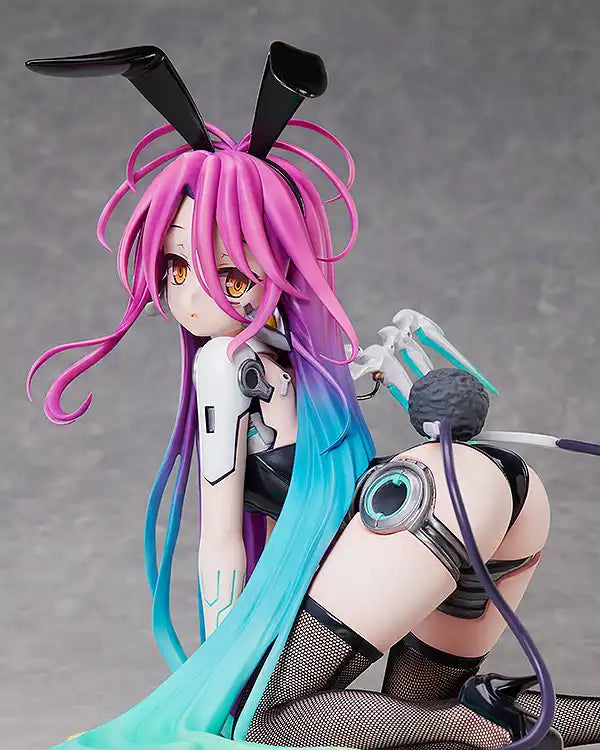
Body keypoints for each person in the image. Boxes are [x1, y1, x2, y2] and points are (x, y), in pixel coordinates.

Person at [26, 42, 600, 750]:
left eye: (226, 274)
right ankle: (511, 714)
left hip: (422, 511)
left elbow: (220, 540)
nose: (191, 295)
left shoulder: (226, 365)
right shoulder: (307, 353)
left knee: (267, 722)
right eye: (175, 267)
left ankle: (493, 729)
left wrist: (222, 679)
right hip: (492, 496)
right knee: (420, 709)